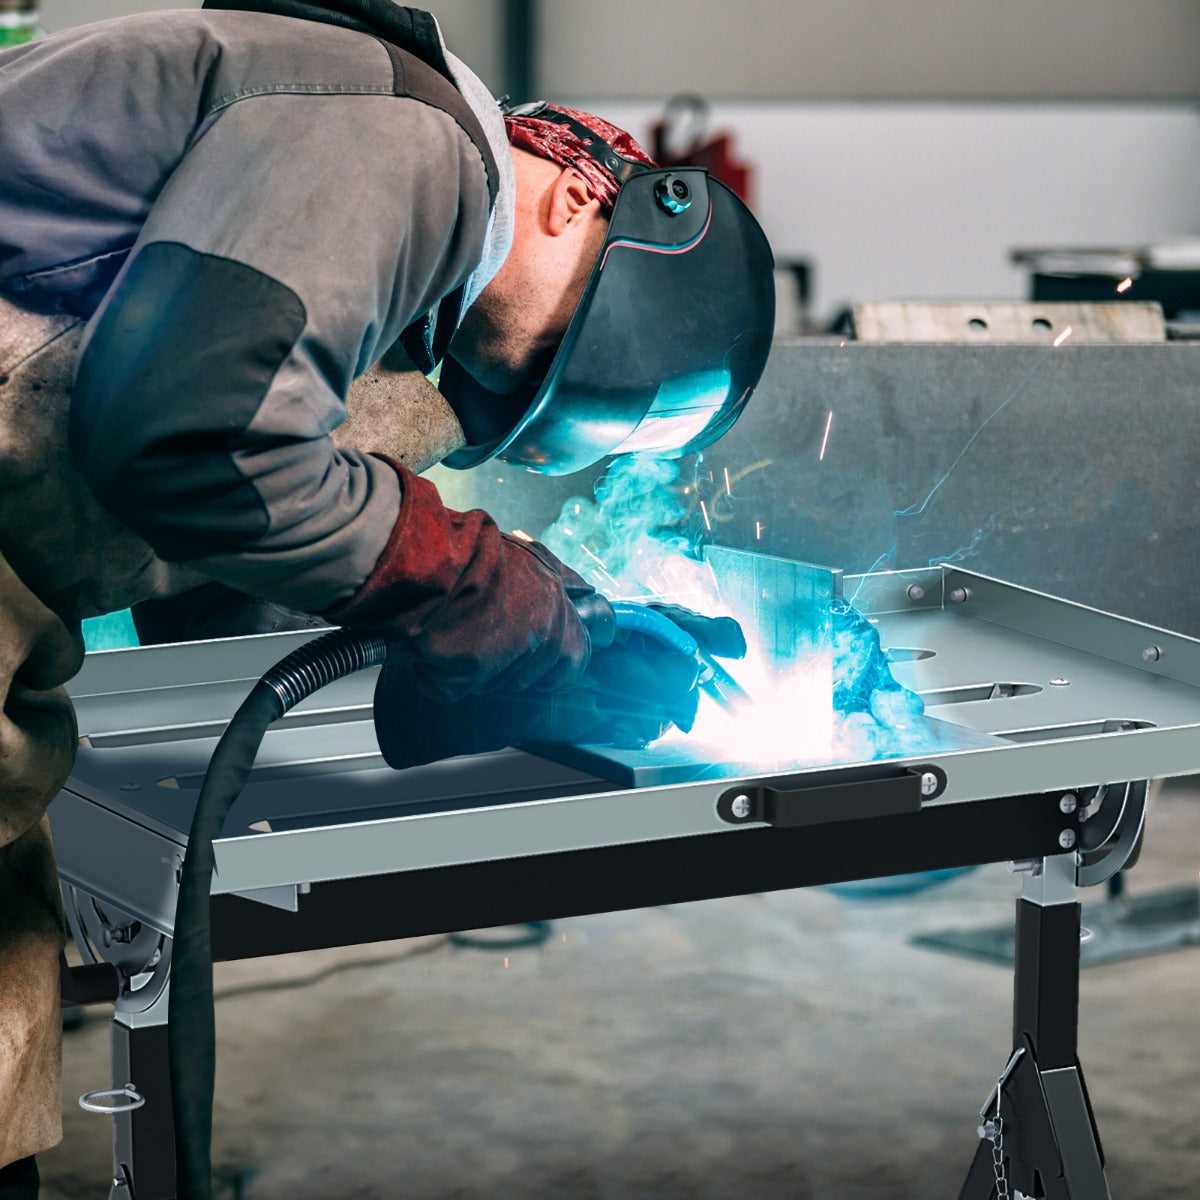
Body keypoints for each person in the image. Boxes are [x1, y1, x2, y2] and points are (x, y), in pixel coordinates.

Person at [0, 1, 774, 1187]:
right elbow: (194, 438)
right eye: (566, 362)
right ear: (577, 195)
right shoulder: (407, 137)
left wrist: (513, 651)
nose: (535, 397)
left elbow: (227, 523)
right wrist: (467, 581)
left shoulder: (381, 200)